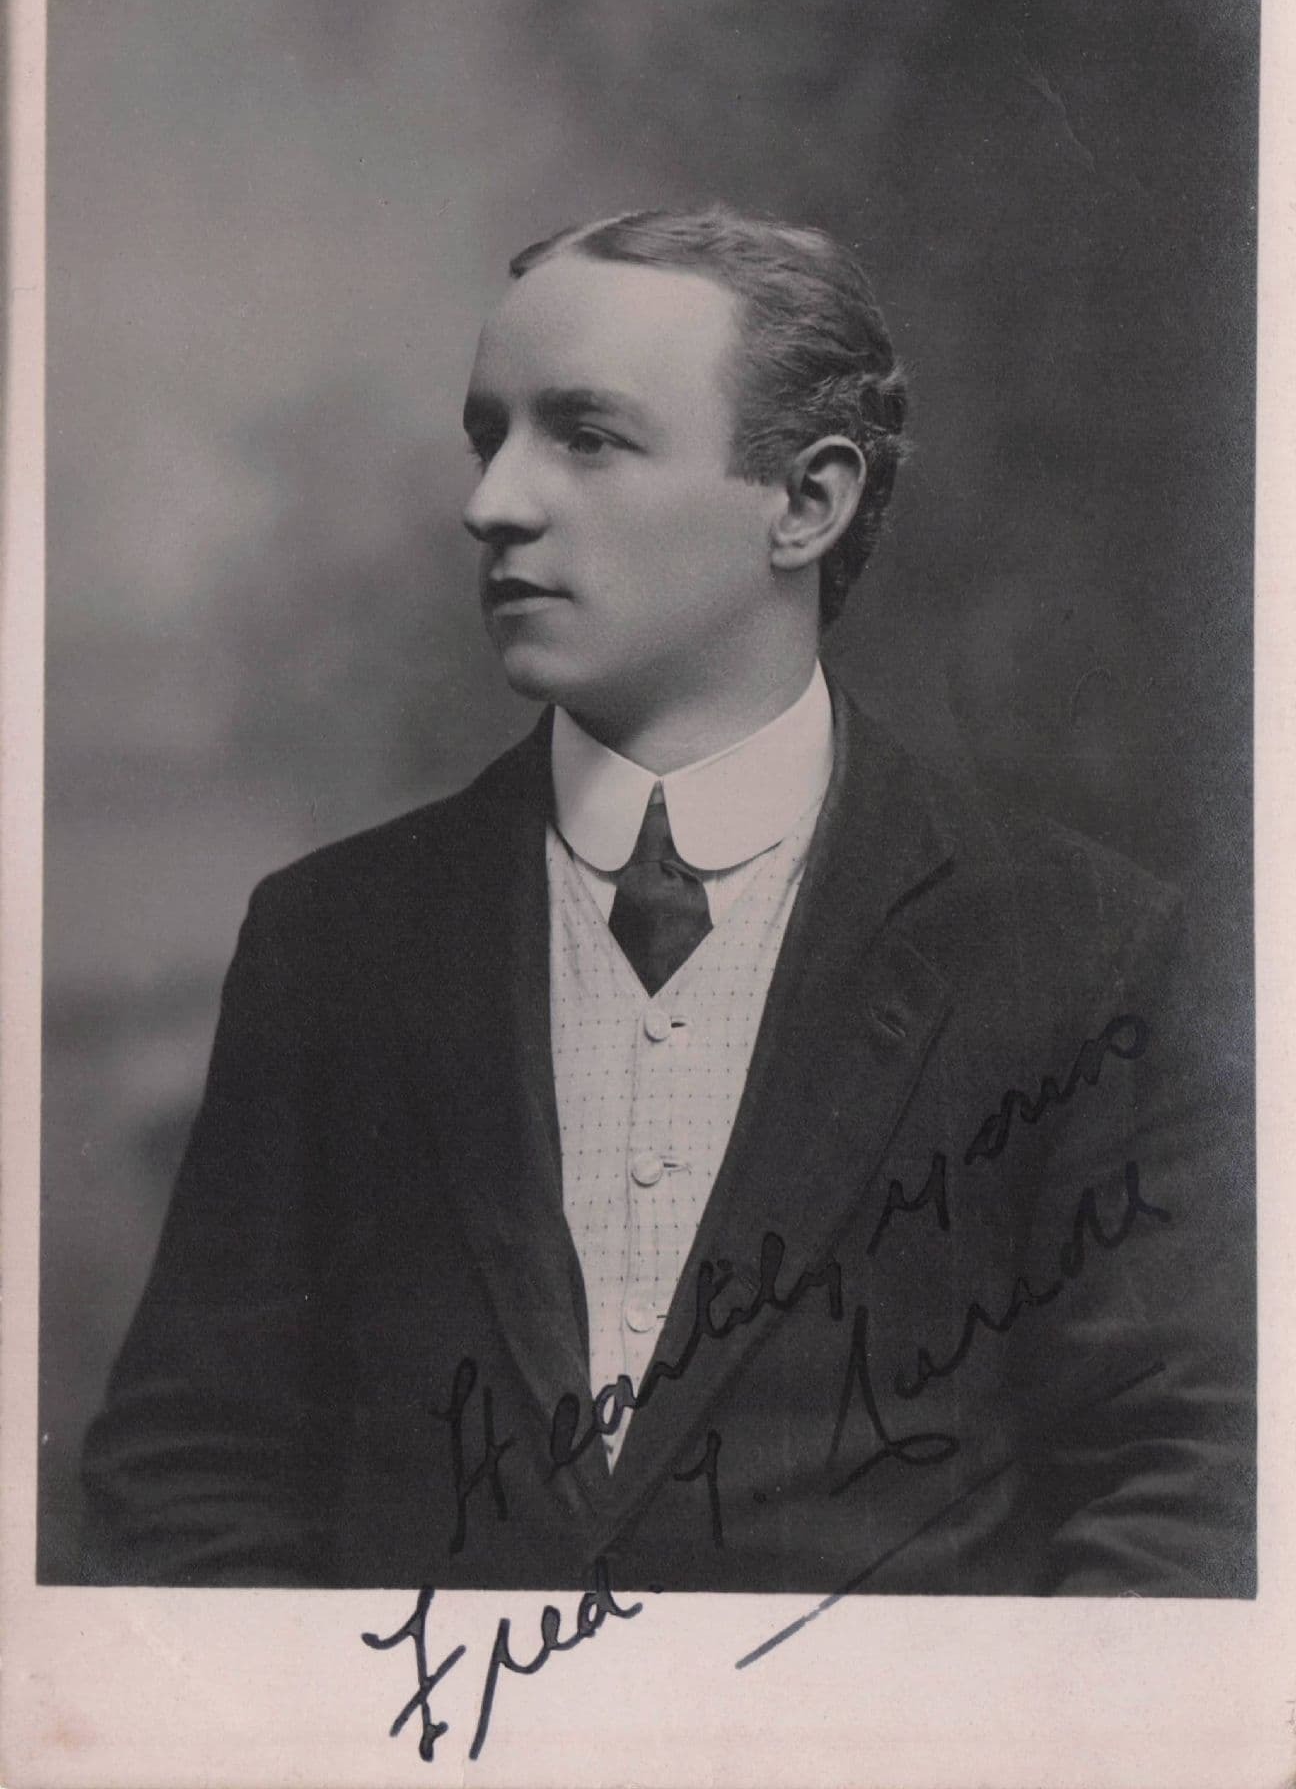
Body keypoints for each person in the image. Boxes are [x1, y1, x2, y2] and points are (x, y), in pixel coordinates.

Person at [80, 205, 1253, 1595]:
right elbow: (191, 1474)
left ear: (804, 504)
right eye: (488, 437)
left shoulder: (1079, 948)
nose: (492, 503)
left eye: (585, 437)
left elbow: (1181, 1488)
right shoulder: (334, 940)